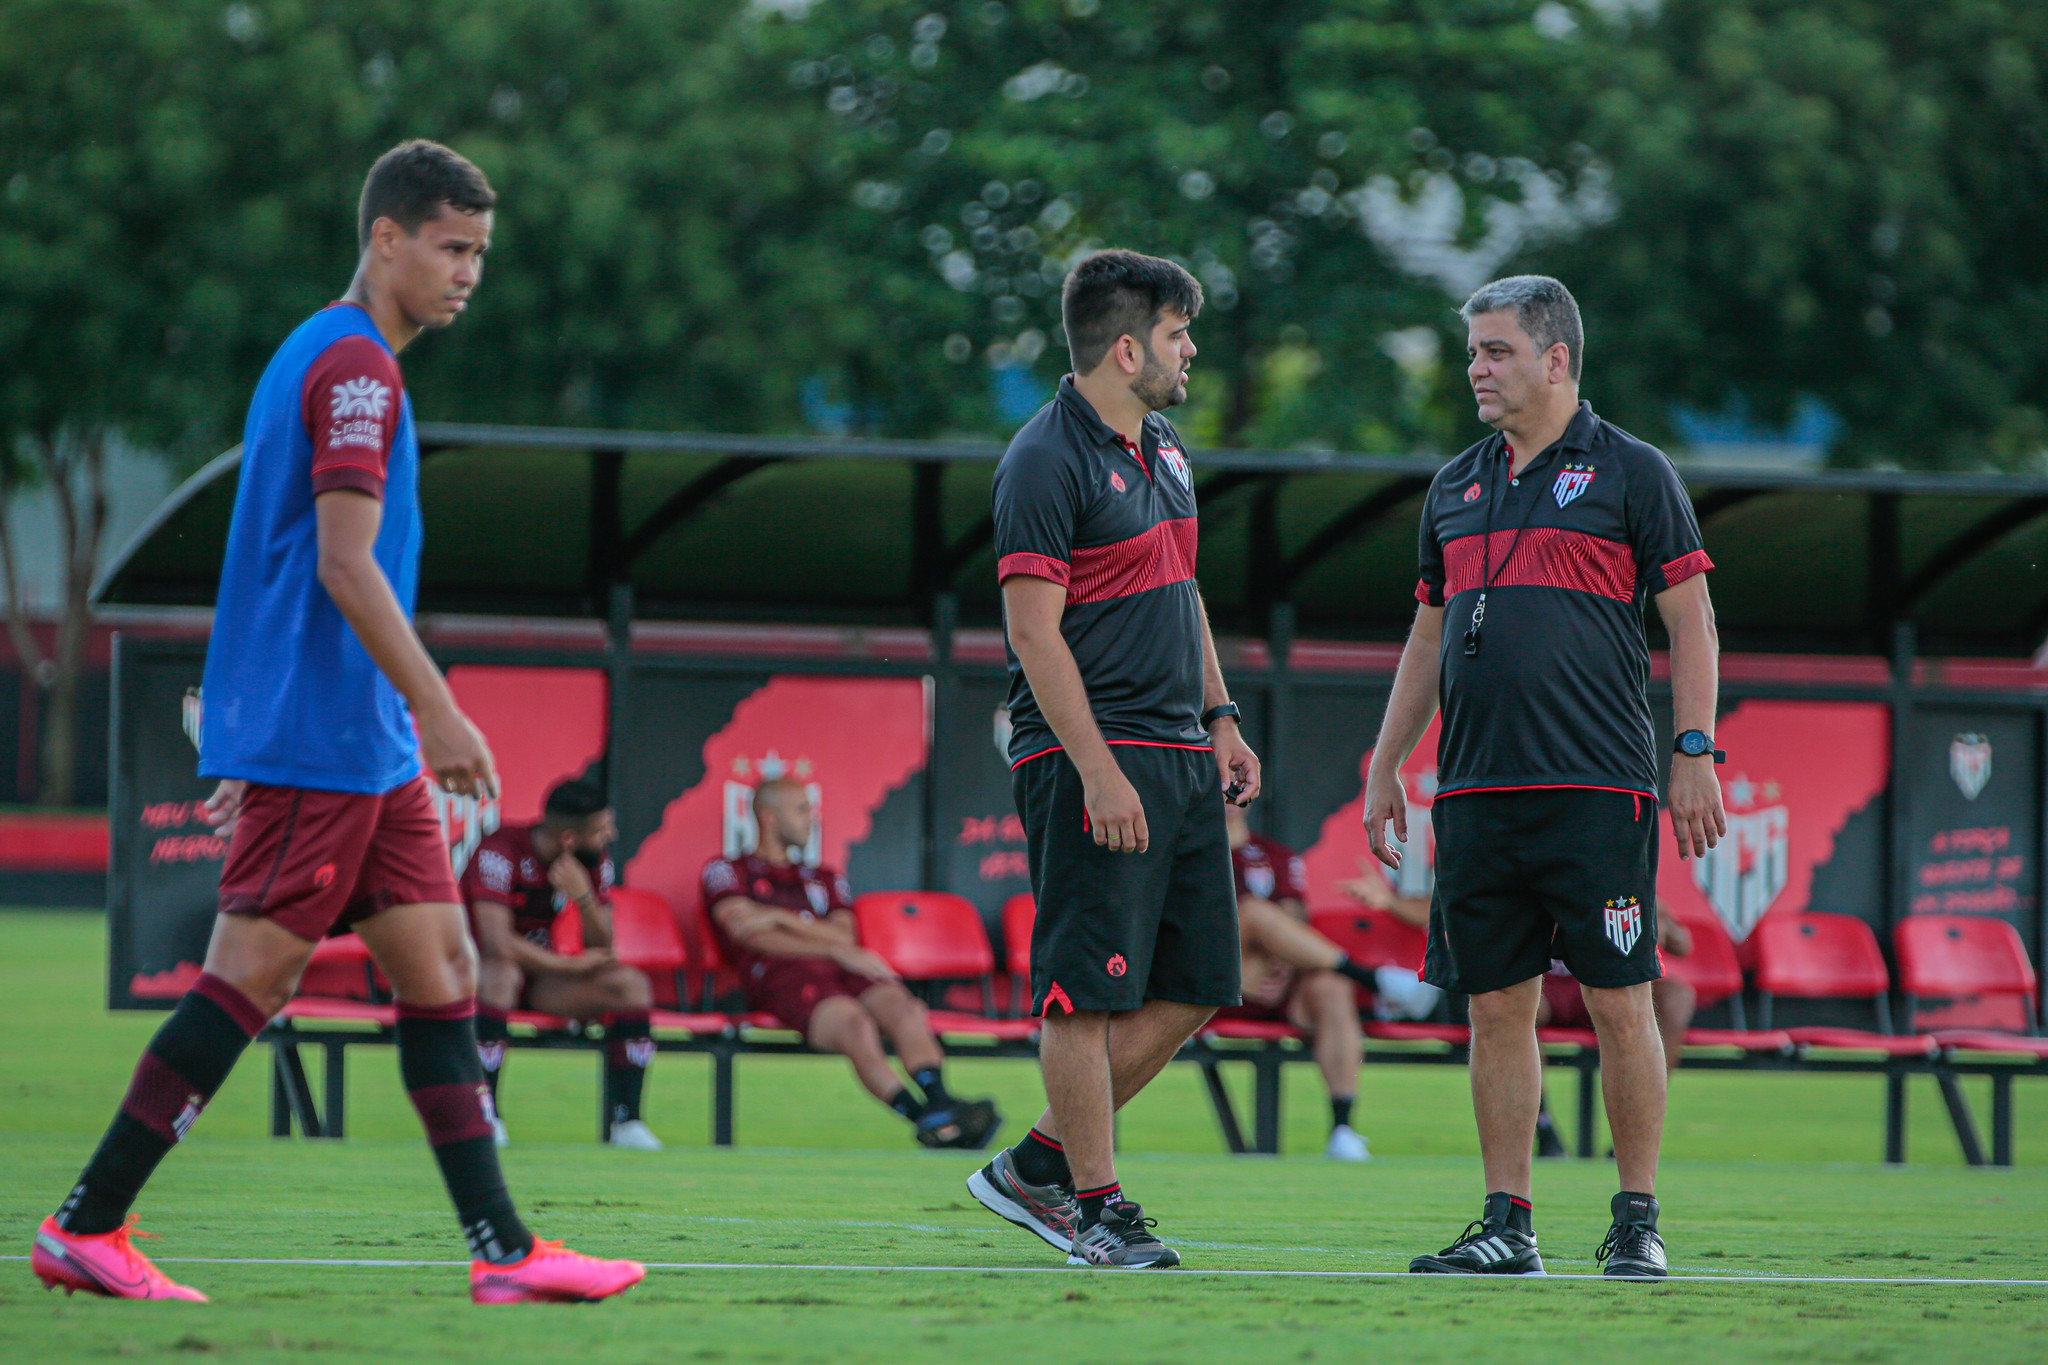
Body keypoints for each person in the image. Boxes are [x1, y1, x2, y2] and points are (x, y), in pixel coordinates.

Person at [31, 143, 641, 1305]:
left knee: (442, 963)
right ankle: (87, 1225)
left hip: (356, 744)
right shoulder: (357, 370)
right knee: (253, 975)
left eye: (479, 253)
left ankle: (505, 1254)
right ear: (386, 238)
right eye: (452, 248)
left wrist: (274, 726)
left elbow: (264, 565)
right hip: (333, 738)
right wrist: (440, 710)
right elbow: (342, 565)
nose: (468, 273)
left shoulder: (324, 354)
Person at [1364, 275, 1724, 1280]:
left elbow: (1689, 618)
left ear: (1554, 358)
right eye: (1471, 351)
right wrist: (1385, 765)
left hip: (1595, 785)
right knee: (1492, 1009)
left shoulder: (1633, 472)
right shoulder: (1452, 485)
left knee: (1621, 1001)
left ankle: (1635, 1218)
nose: (1474, 368)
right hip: (1473, 791)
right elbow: (1428, 633)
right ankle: (1504, 1223)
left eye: (1493, 351)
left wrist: (1691, 752)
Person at [967, 249, 1260, 1270]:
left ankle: (1035, 1165)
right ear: (1126, 346)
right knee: (1080, 993)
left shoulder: (1166, 445)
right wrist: (1094, 768)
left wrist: (1220, 712)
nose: (1191, 353)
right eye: (1179, 335)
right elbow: (1032, 634)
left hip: (1180, 750)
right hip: (1089, 758)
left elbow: (1182, 590)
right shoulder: (1042, 458)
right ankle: (1097, 1207)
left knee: (1196, 986)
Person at [701, 779, 1001, 1149]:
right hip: (779, 975)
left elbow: (845, 936)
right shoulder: (726, 869)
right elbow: (750, 935)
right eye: (801, 809)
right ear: (769, 816)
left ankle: (940, 1105)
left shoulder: (824, 876)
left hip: (843, 967)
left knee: (903, 1008)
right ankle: (925, 1118)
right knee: (855, 1025)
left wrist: (776, 917)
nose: (812, 818)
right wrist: (824, 942)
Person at [463, 778, 661, 1150]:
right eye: (602, 829)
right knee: (501, 974)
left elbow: (602, 945)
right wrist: (568, 966)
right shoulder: (499, 850)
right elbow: (496, 943)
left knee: (630, 984)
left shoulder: (592, 861)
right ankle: (484, 1113)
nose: (611, 835)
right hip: (473, 974)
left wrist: (583, 897)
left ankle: (628, 1122)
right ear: (569, 837)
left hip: (539, 978)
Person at [1219, 805, 1372, 1161]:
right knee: (1252, 912)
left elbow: (1293, 919)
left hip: (1278, 983)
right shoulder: (1187, 850)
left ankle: (1342, 1128)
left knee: (1331, 987)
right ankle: (1374, 978)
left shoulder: (1274, 854)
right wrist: (1237, 976)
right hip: (1215, 983)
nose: (1227, 791)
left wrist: (1281, 968)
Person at [1533, 907, 1698, 1154]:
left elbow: (1682, 946)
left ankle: (1636, 1130)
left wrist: (1657, 923)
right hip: (1543, 982)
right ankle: (1542, 1126)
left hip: (1603, 985)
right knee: (1518, 1009)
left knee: (1677, 996)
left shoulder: (1617, 876)